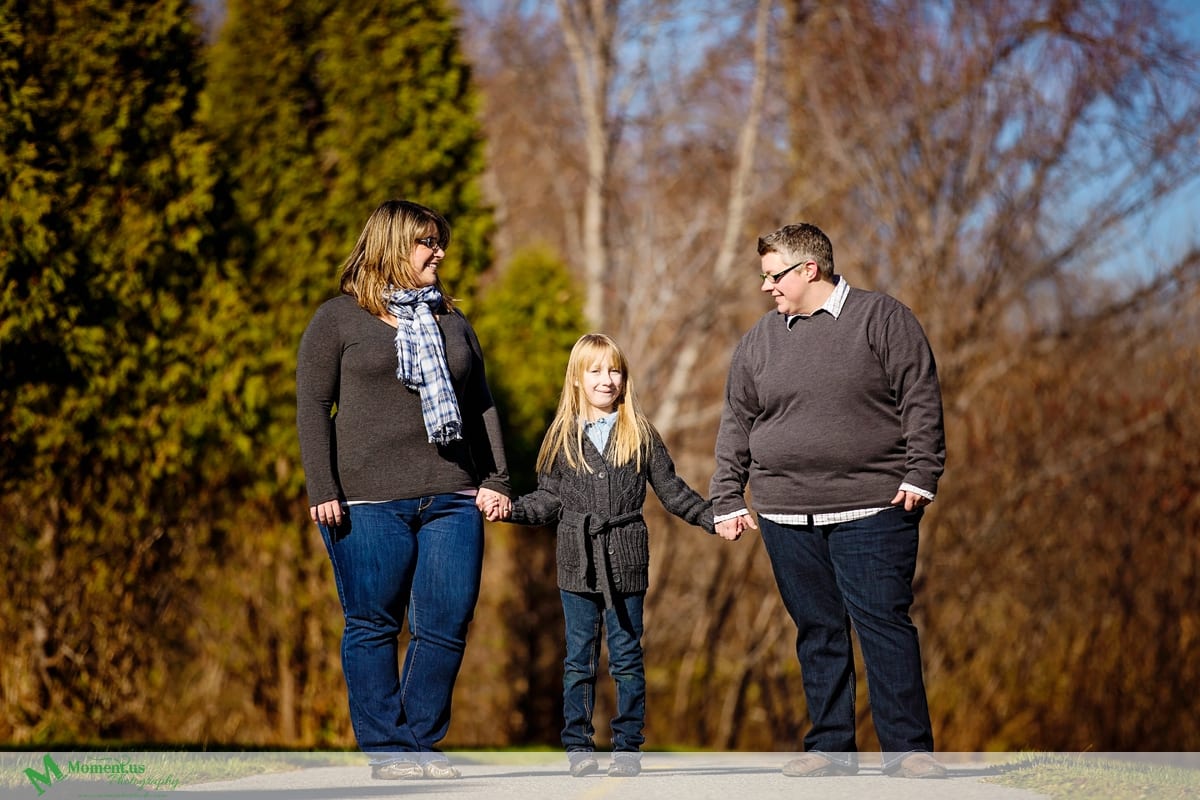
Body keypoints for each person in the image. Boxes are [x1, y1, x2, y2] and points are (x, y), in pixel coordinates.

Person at [710, 223, 948, 780]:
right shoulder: (761, 340)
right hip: (784, 511)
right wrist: (726, 493)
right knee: (817, 630)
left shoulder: (883, 319)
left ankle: (908, 751)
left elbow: (920, 397)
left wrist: (922, 474)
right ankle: (831, 749)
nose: (766, 287)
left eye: (773, 276)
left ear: (808, 270)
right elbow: (736, 422)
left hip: (873, 505)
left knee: (884, 624)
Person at [296, 199, 512, 781]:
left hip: (452, 494)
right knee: (373, 624)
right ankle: (389, 752)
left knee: (447, 622)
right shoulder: (338, 320)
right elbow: (314, 407)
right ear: (392, 246)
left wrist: (495, 479)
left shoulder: (451, 321)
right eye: (426, 242)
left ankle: (417, 745)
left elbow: (482, 402)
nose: (438, 252)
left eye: (439, 241)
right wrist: (323, 485)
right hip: (365, 501)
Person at [484, 333, 715, 778]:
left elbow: (672, 492)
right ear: (577, 379)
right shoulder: (560, 439)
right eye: (596, 371)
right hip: (577, 562)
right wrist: (509, 509)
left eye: (614, 371)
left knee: (627, 657)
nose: (607, 380)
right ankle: (579, 747)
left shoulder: (640, 434)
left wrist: (712, 518)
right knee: (579, 658)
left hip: (627, 563)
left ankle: (627, 747)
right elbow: (547, 500)